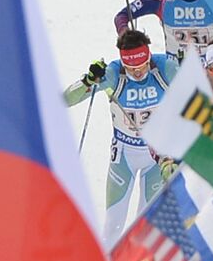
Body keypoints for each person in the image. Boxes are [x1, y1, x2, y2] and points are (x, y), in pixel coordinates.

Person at [63, 28, 179, 244]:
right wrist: (88, 81)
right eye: (131, 67)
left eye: (141, 66)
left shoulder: (166, 68)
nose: (137, 73)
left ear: (148, 57)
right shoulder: (114, 73)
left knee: (145, 224)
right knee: (113, 223)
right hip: (124, 155)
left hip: (157, 156)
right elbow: (66, 100)